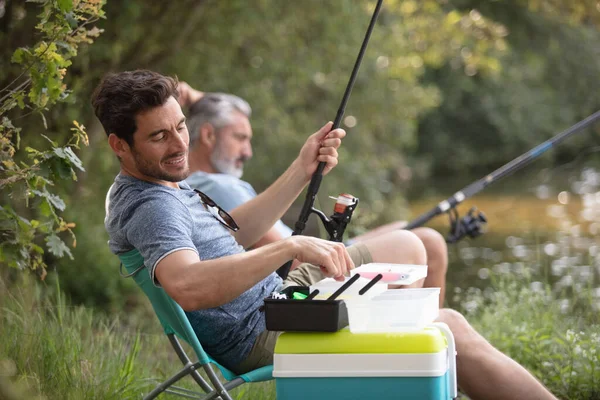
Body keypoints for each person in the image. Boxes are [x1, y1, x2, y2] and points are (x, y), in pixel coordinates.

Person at [95, 70, 556, 400]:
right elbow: (189, 286)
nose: (180, 145)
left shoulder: (164, 181)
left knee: (411, 245)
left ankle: (413, 372)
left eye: (180, 127)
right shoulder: (150, 205)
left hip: (277, 301)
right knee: (446, 328)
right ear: (120, 145)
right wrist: (292, 245)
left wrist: (302, 168)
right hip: (263, 331)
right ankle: (414, 368)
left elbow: (237, 232)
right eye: (160, 137)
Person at [180, 90, 448, 305]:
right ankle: (418, 342)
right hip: (305, 276)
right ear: (208, 134)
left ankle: (425, 334)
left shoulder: (204, 186)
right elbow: (293, 260)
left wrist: (194, 97)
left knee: (406, 231)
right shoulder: (218, 187)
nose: (248, 151)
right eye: (240, 138)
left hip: (315, 258)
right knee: (425, 242)